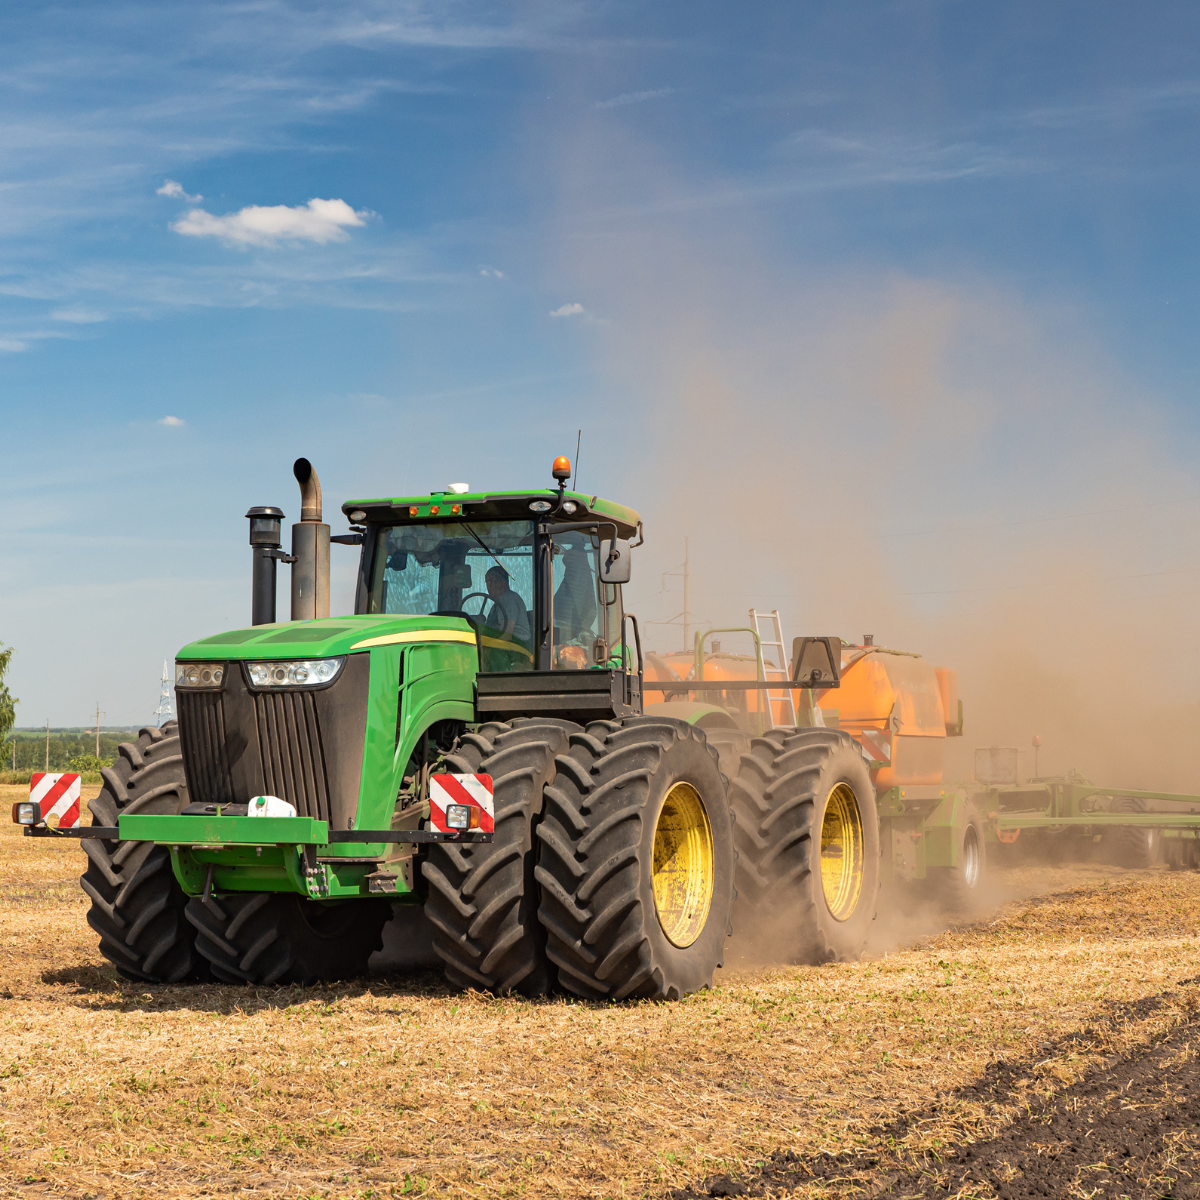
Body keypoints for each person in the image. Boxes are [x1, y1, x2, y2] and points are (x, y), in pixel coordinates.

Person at [484, 565, 530, 643]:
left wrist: (486, 648)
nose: (490, 585)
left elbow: (506, 635)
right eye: (488, 582)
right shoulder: (499, 602)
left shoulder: (508, 599)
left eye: (493, 581)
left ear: (503, 582)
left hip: (516, 644)